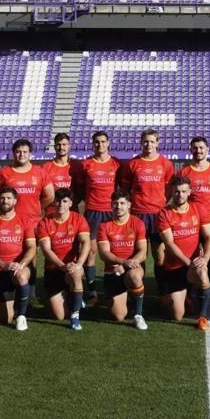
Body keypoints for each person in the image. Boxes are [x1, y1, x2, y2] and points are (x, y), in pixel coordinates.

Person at [157, 176, 210, 329]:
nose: (180, 195)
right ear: (171, 192)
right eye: (176, 191)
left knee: (202, 272)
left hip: (194, 264)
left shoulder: (199, 209)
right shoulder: (164, 213)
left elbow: (209, 237)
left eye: (183, 191)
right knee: (177, 316)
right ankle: (173, 298)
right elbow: (169, 244)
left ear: (189, 192)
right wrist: (188, 263)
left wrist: (205, 259)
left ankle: (202, 317)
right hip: (174, 267)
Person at [0, 186, 37, 331]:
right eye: (2, 198)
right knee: (4, 319)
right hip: (0, 270)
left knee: (22, 276)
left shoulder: (24, 220)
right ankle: (8, 299)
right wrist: (4, 265)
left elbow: (32, 247)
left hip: (19, 268)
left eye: (9, 198)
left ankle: (22, 316)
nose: (5, 201)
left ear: (15, 201)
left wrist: (21, 264)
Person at [120, 128, 175, 274]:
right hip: (138, 215)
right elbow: (125, 190)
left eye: (151, 141)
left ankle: (163, 293)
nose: (148, 145)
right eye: (145, 141)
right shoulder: (133, 164)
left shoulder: (166, 164)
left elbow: (169, 189)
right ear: (140, 143)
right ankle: (138, 289)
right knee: (139, 256)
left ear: (157, 143)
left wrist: (163, 205)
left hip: (158, 215)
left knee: (160, 256)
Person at [181, 136, 210, 300]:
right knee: (190, 255)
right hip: (190, 222)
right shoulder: (185, 172)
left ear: (208, 149)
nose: (198, 150)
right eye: (195, 147)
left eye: (201, 147)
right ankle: (190, 292)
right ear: (190, 150)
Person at [37, 188, 92, 331]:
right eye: (58, 201)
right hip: (54, 269)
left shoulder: (78, 218)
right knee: (60, 316)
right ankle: (76, 299)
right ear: (54, 202)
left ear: (70, 203)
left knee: (75, 273)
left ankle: (75, 316)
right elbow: (46, 250)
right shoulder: (44, 222)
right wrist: (61, 265)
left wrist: (79, 264)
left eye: (65, 201)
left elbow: (86, 242)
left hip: (72, 268)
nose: (61, 204)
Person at [79, 130, 122, 304]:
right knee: (90, 252)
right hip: (93, 213)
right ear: (93, 144)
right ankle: (92, 292)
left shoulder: (116, 164)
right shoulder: (86, 164)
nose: (100, 145)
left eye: (103, 141)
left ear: (108, 143)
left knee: (114, 251)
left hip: (112, 212)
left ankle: (113, 289)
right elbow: (80, 188)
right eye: (97, 142)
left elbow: (122, 189)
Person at [96, 191, 149, 330]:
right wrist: (122, 262)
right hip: (113, 271)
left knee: (134, 276)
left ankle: (138, 314)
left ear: (129, 205)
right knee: (119, 316)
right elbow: (104, 254)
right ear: (111, 205)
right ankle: (129, 297)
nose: (118, 207)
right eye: (115, 203)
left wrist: (126, 266)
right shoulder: (104, 226)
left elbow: (143, 253)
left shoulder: (138, 223)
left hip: (132, 267)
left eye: (122, 203)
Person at [0, 138, 46, 229]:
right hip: (10, 222)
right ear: (13, 153)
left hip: (33, 222)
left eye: (25, 152)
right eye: (18, 152)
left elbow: (50, 196)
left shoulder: (40, 172)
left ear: (30, 153)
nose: (22, 155)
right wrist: (5, 209)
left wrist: (37, 207)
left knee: (32, 243)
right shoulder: (3, 172)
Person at [38, 132, 79, 216]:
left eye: (64, 144)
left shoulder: (76, 166)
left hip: (72, 212)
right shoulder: (45, 167)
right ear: (54, 147)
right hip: (52, 212)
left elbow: (82, 192)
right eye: (58, 145)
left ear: (69, 146)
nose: (61, 147)